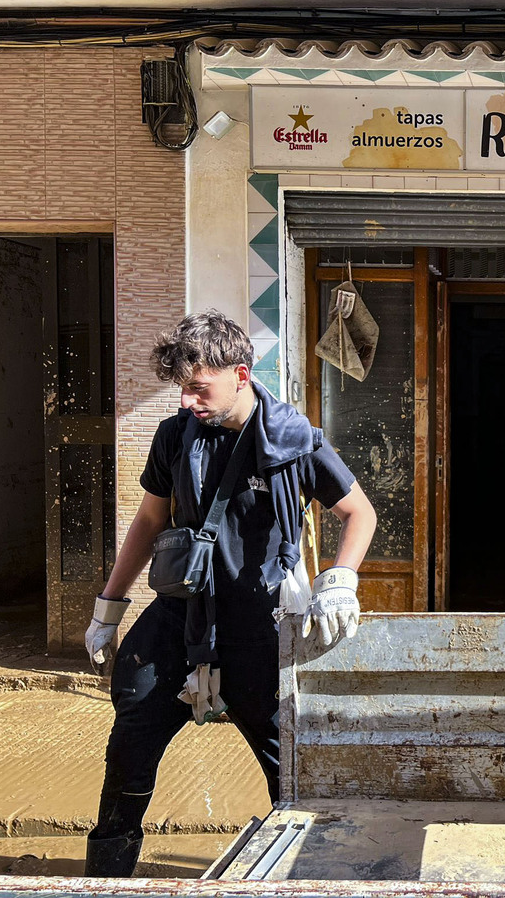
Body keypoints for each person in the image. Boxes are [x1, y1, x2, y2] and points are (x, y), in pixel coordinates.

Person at [82, 311, 377, 876]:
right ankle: (106, 878)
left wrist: (340, 579)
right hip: (179, 616)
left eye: (200, 388)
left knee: (289, 771)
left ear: (240, 373)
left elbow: (358, 513)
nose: (189, 400)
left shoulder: (295, 442)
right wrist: (108, 609)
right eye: (182, 388)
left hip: (258, 629)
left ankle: (316, 873)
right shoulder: (175, 437)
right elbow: (148, 522)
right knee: (129, 744)